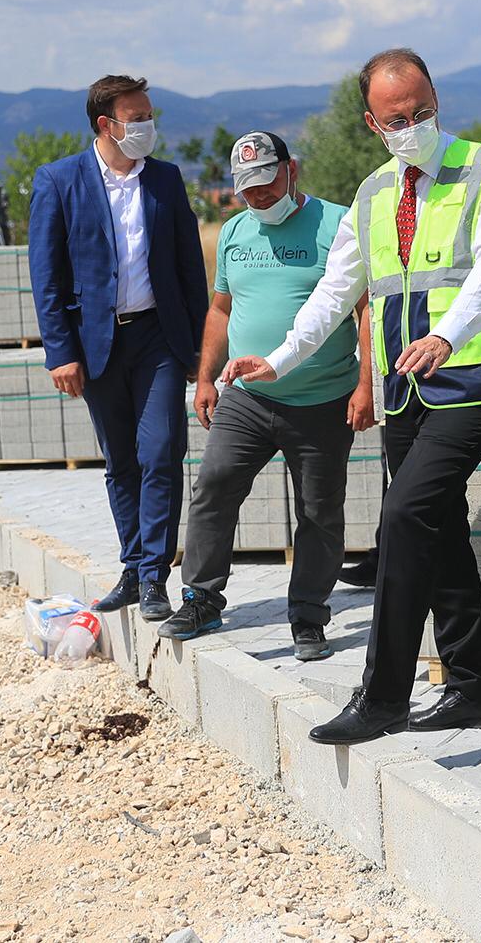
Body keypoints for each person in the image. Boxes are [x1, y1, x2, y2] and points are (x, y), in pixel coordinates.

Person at [222, 48, 481, 745]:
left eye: (423, 111)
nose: (413, 125)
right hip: (406, 389)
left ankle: (384, 696)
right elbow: (335, 290)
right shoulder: (373, 194)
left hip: (472, 378)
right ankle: (474, 688)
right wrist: (279, 358)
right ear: (372, 123)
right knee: (440, 527)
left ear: (437, 101)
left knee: (404, 516)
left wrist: (447, 335)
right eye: (397, 118)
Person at [157, 131, 375, 660]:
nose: (258, 196)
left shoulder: (338, 224)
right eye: (247, 188)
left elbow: (365, 307)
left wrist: (368, 384)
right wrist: (205, 378)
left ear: (291, 170)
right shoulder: (235, 231)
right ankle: (202, 598)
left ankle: (308, 616)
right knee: (214, 485)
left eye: (266, 183)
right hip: (247, 398)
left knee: (319, 511)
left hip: (323, 399)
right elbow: (221, 310)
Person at [27, 74, 208, 623]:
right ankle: (133, 568)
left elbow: (189, 267)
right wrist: (60, 351)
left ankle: (154, 576)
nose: (148, 126)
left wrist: (200, 350)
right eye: (137, 118)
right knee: (122, 460)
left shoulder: (166, 179)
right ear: (106, 124)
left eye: (150, 116)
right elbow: (47, 277)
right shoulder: (59, 181)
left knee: (162, 452)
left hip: (159, 338)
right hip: (97, 343)